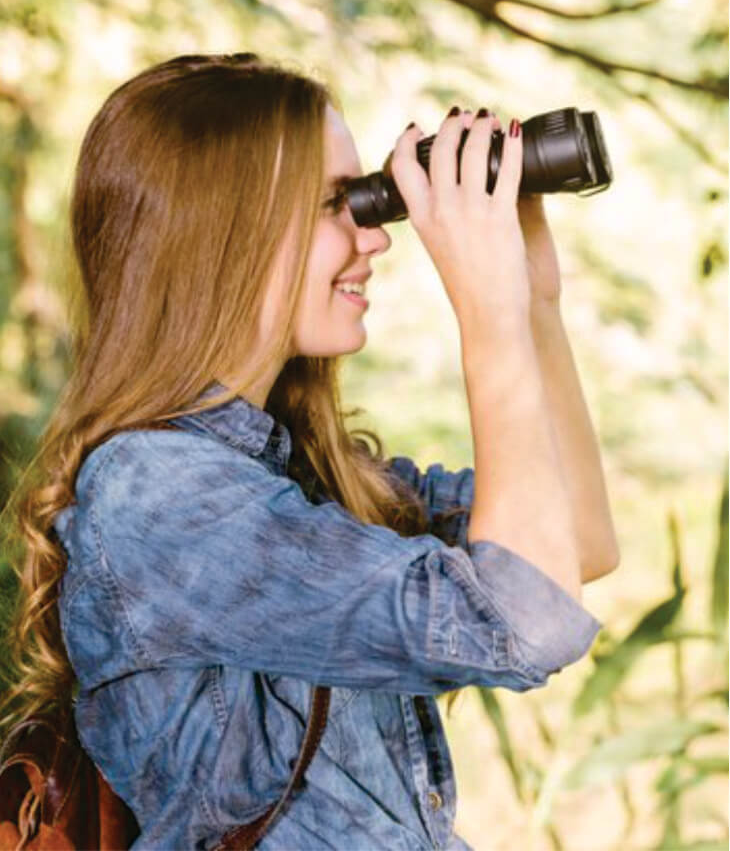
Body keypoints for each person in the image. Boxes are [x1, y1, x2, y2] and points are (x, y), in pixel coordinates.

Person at [1, 52, 619, 850]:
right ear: (223, 231)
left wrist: (533, 302)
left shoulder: (295, 475)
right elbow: (526, 619)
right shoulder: (157, 495)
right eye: (338, 203)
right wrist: (487, 315)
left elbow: (580, 545)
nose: (376, 237)